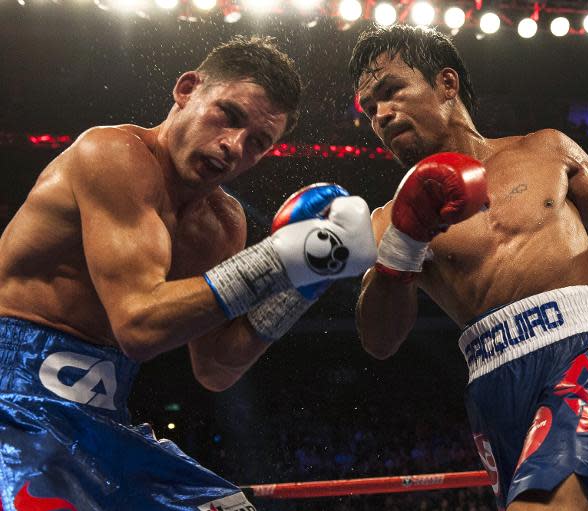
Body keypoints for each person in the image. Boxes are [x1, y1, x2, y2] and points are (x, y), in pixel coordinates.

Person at [0, 36, 376, 510]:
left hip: (102, 424)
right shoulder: (111, 154)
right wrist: (282, 259)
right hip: (11, 405)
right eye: (229, 116)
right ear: (186, 89)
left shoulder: (222, 224)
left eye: (258, 143)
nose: (234, 146)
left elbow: (216, 367)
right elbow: (137, 325)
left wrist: (305, 281)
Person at [350, 25, 588, 511]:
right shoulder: (390, 219)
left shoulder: (547, 149)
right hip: (494, 388)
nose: (382, 116)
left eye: (391, 93)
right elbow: (379, 341)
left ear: (446, 84)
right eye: (369, 109)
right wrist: (402, 247)